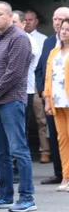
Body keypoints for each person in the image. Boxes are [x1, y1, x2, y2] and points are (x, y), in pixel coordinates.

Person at [0, 2, 37, 212]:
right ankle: (4, 195)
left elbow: (14, 73)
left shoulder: (19, 39)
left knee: (18, 148)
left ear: (10, 16)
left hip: (11, 101)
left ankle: (27, 197)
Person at [33, 7, 69, 185]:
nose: (58, 24)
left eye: (62, 21)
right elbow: (43, 72)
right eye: (56, 20)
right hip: (54, 100)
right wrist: (44, 95)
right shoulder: (50, 45)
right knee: (58, 137)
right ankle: (62, 174)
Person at [20, 10, 52, 164]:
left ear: (36, 21)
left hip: (36, 83)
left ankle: (44, 151)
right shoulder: (17, 38)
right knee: (22, 121)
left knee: (41, 120)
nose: (27, 22)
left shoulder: (43, 39)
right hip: (22, 85)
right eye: (25, 20)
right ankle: (21, 154)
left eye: (30, 20)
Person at [42, 19, 69, 192]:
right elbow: (47, 77)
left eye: (68, 29)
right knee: (62, 139)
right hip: (57, 101)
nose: (64, 32)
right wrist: (46, 99)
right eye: (62, 29)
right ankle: (66, 176)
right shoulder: (54, 52)